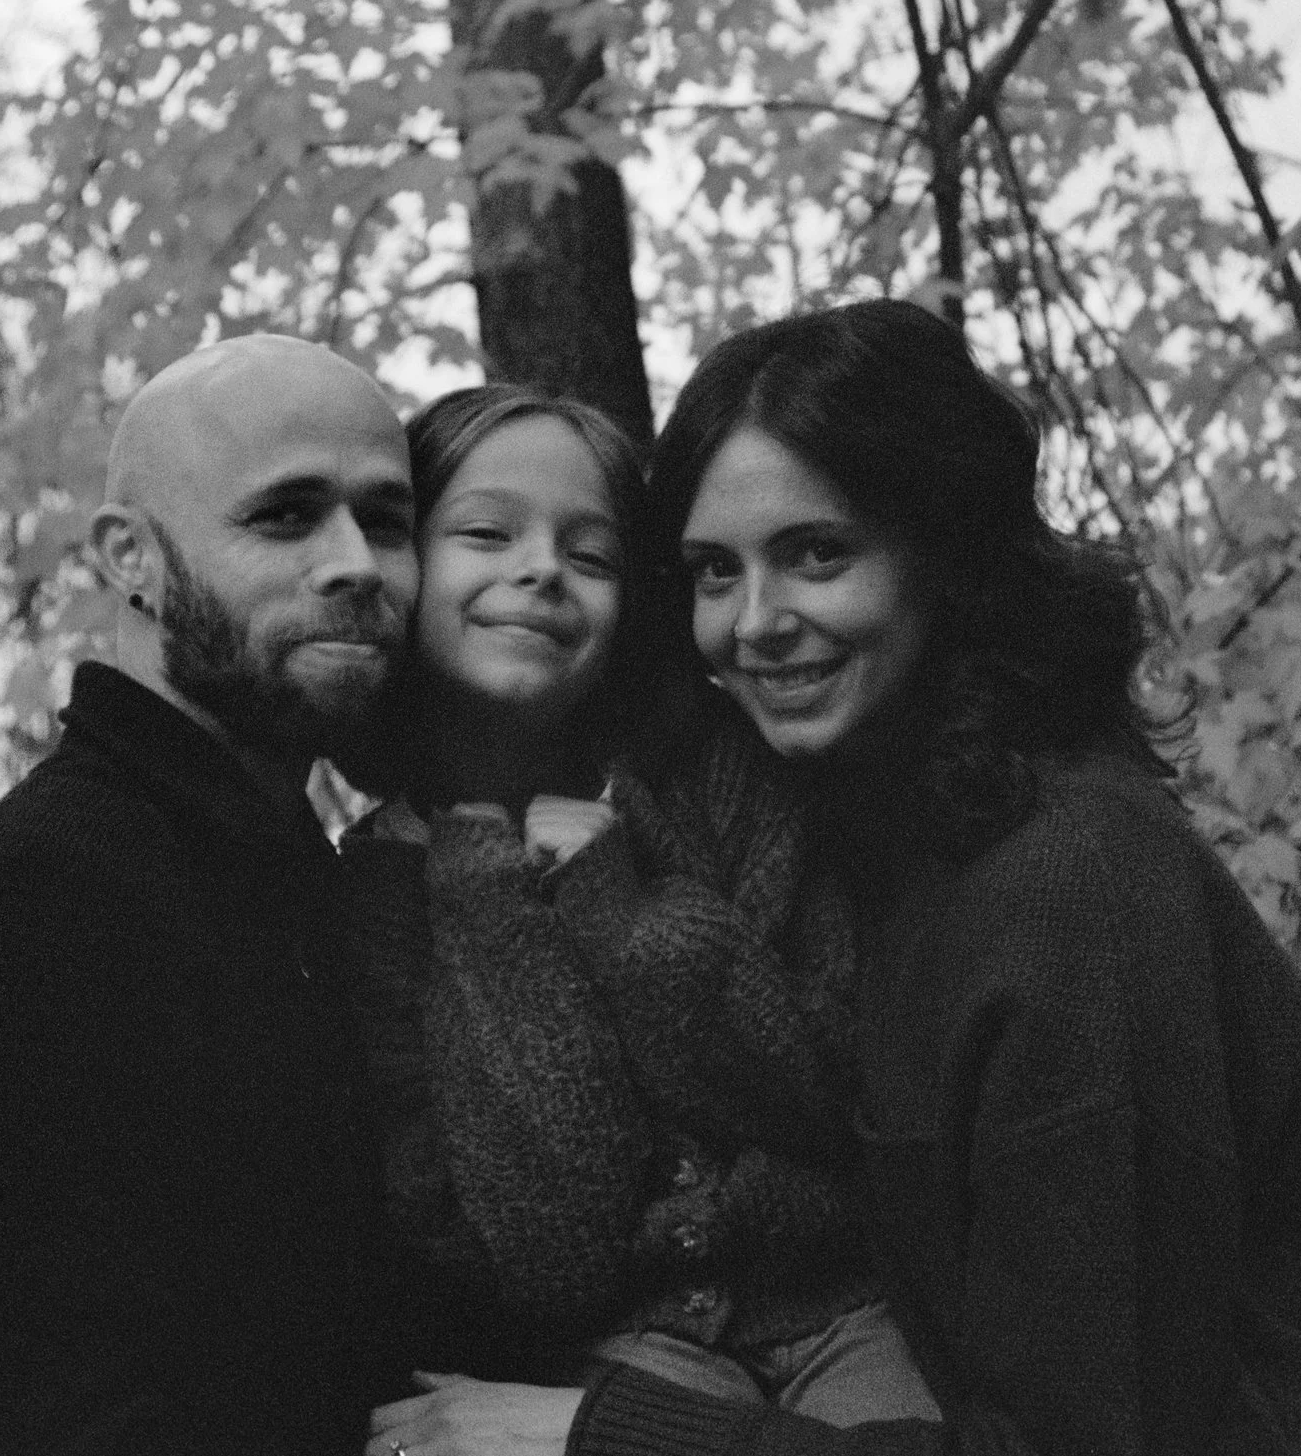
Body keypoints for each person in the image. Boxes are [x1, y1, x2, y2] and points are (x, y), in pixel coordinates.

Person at [377, 302, 1301, 1456]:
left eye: (818, 552)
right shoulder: (866, 829)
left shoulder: (1066, 886)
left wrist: (597, 1437)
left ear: (947, 555)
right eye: (713, 570)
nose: (756, 623)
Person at [0, 334, 427, 1455]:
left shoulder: (289, 880)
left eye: (387, 519)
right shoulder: (35, 918)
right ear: (130, 557)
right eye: (286, 516)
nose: (356, 562)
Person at [347, 385, 941, 1432]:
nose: (540, 568)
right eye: (487, 533)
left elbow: (822, 1080)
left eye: (592, 554)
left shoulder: (721, 777)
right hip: (619, 1347)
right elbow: (549, 1242)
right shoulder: (380, 891)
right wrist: (486, 889)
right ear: (403, 563)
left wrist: (626, 917)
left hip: (841, 1301)